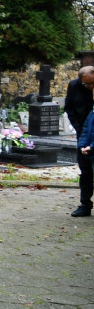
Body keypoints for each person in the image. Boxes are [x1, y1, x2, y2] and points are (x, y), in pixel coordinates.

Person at [64, 66, 94, 216]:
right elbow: (69, 108)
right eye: (86, 84)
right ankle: (85, 204)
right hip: (84, 132)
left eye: (91, 83)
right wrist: (79, 128)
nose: (89, 87)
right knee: (85, 170)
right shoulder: (74, 86)